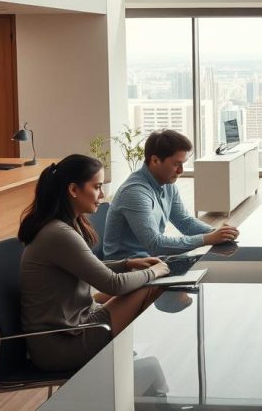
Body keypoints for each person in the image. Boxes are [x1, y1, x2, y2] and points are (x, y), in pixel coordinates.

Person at [19, 154, 170, 373]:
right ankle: (121, 360)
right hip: (61, 345)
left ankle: (123, 357)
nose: (102, 194)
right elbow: (113, 285)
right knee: (149, 286)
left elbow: (91, 267)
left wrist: (128, 264)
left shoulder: (64, 225)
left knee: (142, 283)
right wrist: (155, 271)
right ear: (73, 190)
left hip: (68, 326)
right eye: (97, 187)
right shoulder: (59, 233)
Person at [102, 129, 239, 260]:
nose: (181, 171)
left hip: (151, 261)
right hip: (127, 268)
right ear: (155, 160)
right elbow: (155, 244)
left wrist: (217, 233)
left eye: (183, 164)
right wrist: (208, 238)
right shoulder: (134, 193)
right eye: (176, 164)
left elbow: (184, 222)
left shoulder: (167, 184)